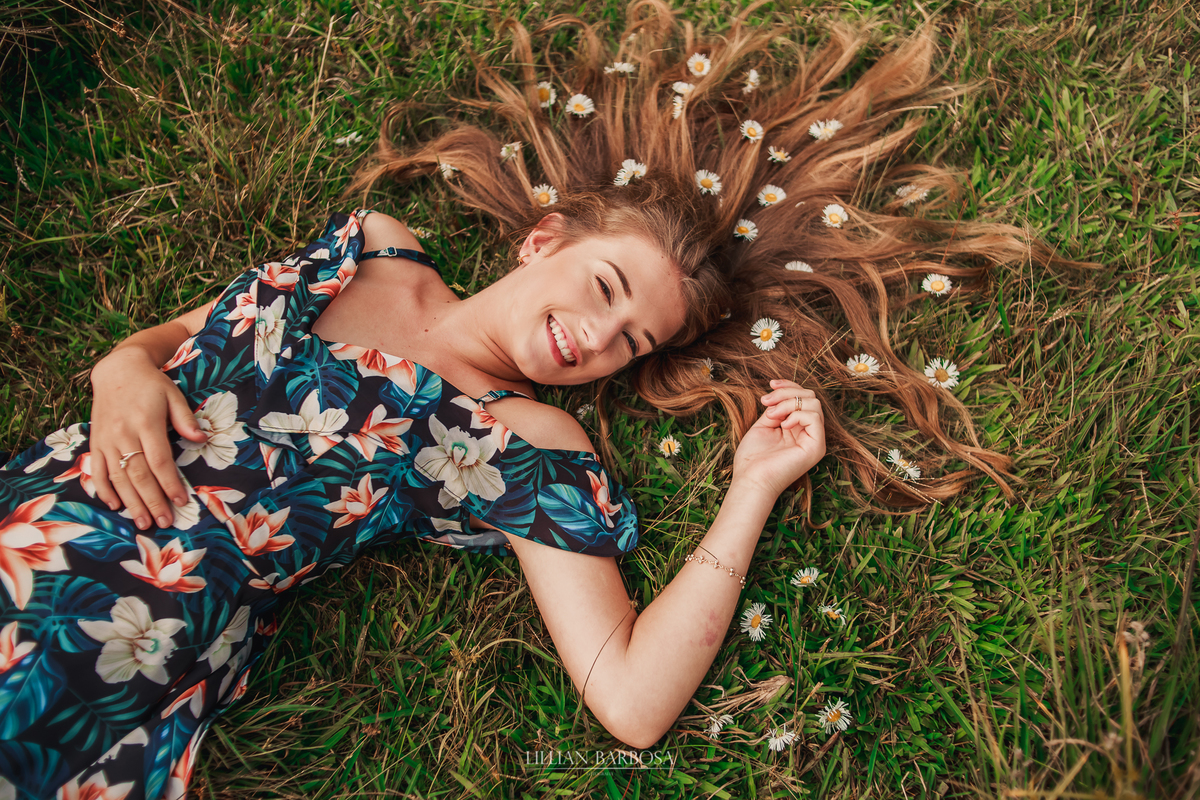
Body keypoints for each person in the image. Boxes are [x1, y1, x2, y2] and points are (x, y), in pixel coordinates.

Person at [0, 4, 1066, 797]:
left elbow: (631, 701)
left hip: (117, 623)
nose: (596, 340)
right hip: (35, 502)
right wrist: (119, 368)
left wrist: (753, 489)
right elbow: (177, 339)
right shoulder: (372, 246)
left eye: (631, 341)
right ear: (543, 239)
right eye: (604, 288)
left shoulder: (516, 437)